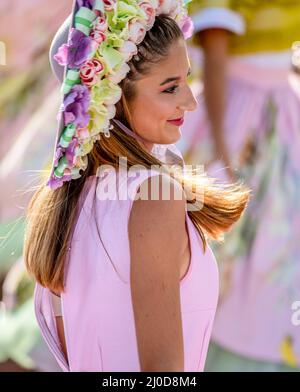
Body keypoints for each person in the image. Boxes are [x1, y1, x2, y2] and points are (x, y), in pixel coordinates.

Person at [23, 0, 249, 372]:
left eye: (188, 79)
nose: (191, 102)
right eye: (170, 88)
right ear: (113, 99)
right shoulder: (154, 198)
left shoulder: (66, 200)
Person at [179, 0, 300, 371]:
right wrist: (221, 149)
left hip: (282, 108)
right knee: (213, 232)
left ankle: (250, 334)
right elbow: (215, 65)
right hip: (232, 112)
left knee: (276, 237)